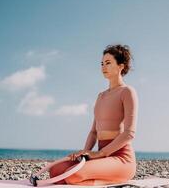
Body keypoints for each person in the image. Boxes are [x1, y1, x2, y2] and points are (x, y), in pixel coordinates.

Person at [49, 44, 138, 186]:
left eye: (108, 63)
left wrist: (100, 153)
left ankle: (115, 181)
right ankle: (92, 177)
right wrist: (86, 152)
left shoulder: (127, 92)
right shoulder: (101, 96)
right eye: (102, 63)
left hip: (121, 158)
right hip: (101, 156)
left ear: (121, 66)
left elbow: (129, 134)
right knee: (55, 170)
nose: (103, 67)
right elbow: (93, 132)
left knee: (73, 176)